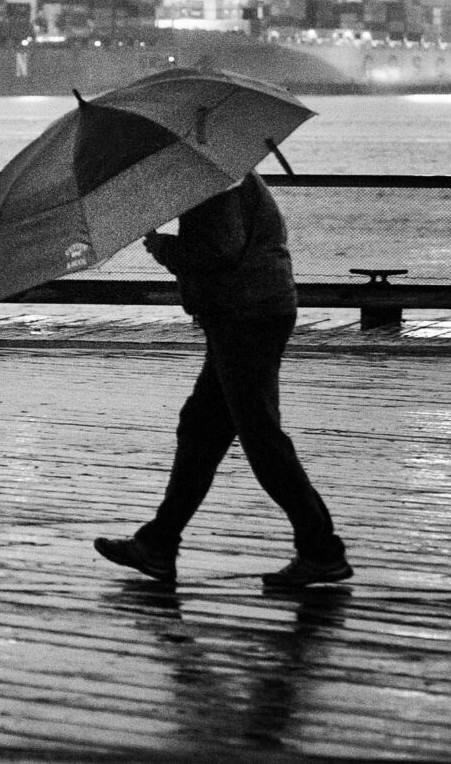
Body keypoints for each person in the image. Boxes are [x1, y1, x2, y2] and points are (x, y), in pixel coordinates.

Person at [94, 172, 351, 589]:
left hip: (244, 314)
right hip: (248, 310)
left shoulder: (215, 185)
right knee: (201, 431)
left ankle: (321, 550)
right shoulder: (222, 176)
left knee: (260, 436)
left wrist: (164, 248)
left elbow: (217, 250)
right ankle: (159, 543)